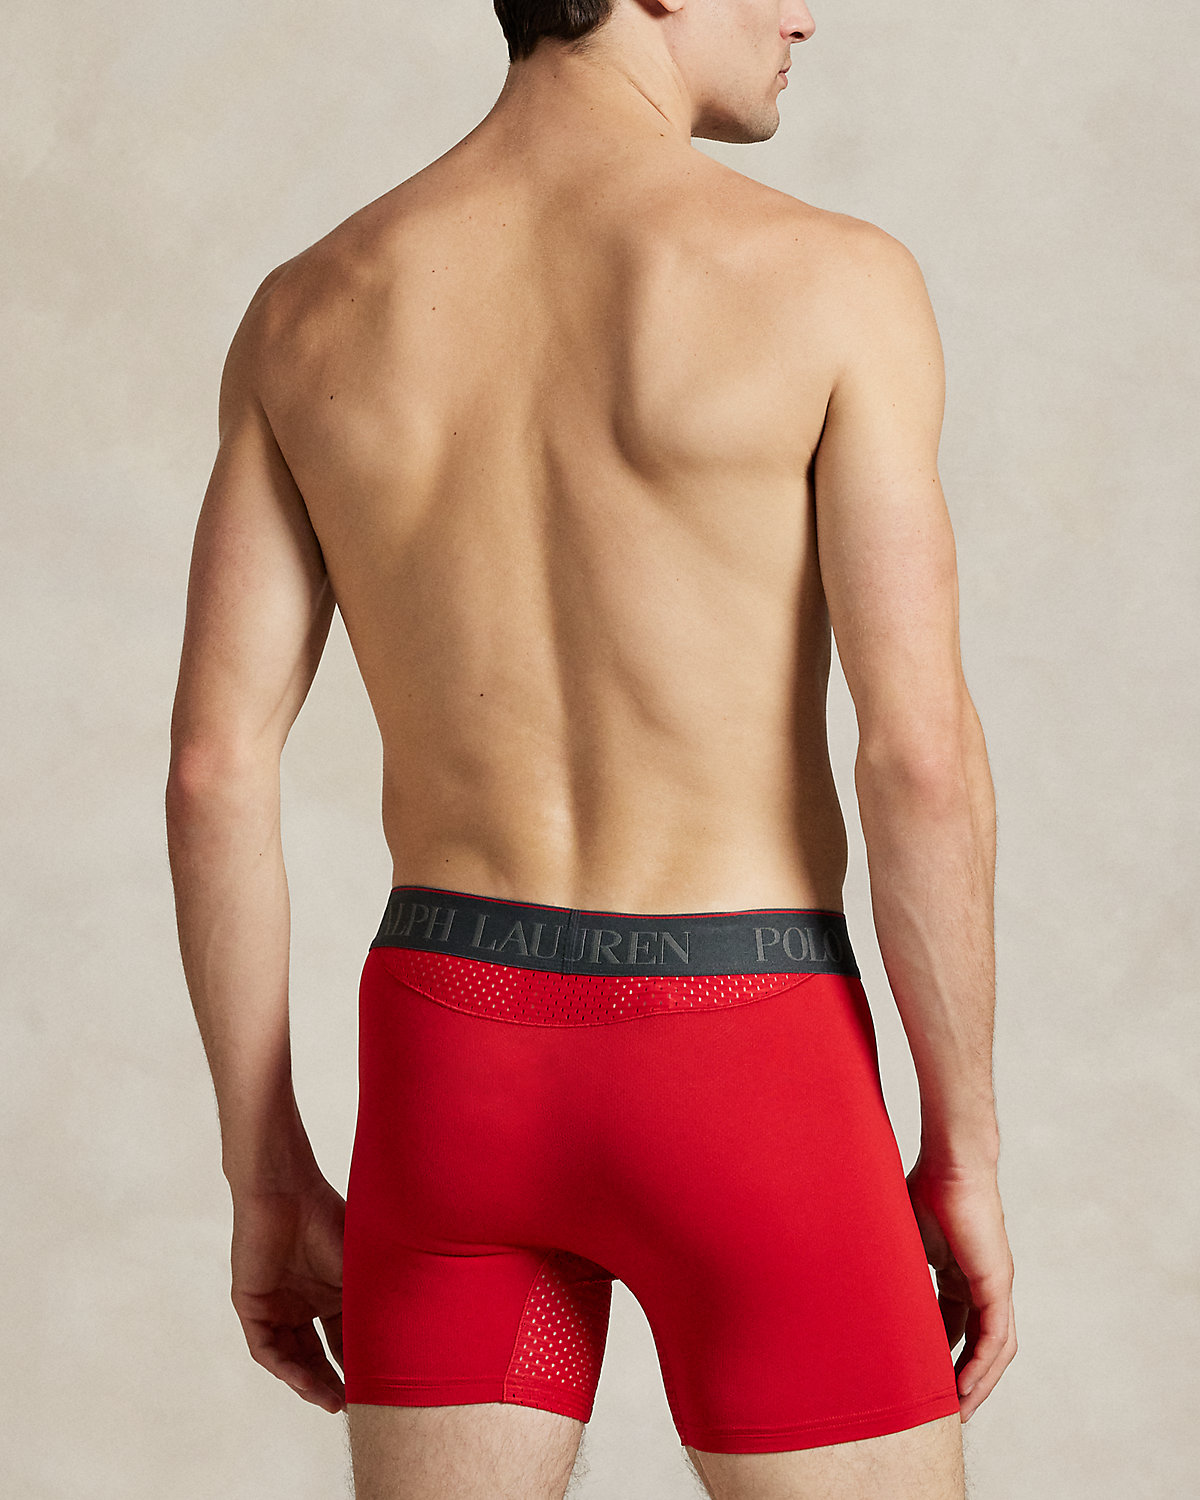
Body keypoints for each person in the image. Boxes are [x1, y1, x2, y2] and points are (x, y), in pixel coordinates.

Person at [165, 1, 1017, 1496]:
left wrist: (265, 1164)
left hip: (451, 1055)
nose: (805, 12)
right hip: (747, 1056)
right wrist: (965, 1148)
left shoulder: (307, 309)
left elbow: (214, 771)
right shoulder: (833, 281)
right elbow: (919, 759)